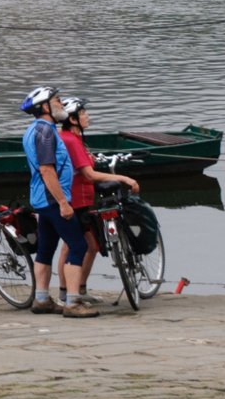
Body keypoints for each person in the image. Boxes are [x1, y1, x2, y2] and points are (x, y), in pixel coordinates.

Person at [22, 85, 97, 317]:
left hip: (42, 200)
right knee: (79, 246)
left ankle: (42, 299)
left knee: (45, 249)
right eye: (57, 100)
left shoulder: (38, 129)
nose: (62, 104)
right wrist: (64, 203)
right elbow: (47, 170)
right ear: (44, 107)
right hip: (53, 200)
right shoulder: (45, 133)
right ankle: (73, 303)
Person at [58, 96, 140, 303]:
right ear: (73, 119)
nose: (88, 116)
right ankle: (67, 292)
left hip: (82, 198)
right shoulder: (69, 139)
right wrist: (124, 178)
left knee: (87, 246)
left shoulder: (72, 138)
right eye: (83, 113)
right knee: (74, 246)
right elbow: (89, 175)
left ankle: (78, 290)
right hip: (75, 200)